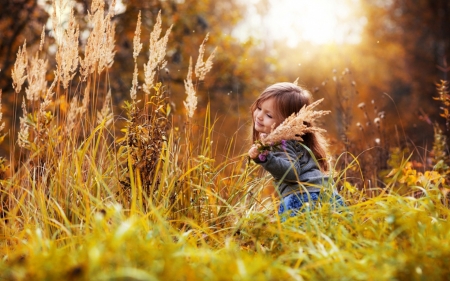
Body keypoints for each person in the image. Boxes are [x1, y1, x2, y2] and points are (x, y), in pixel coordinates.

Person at [247, 82, 344, 219]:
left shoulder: (282, 142)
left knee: (291, 238)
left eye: (269, 115)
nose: (259, 116)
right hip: (328, 195)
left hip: (302, 198)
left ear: (289, 122)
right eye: (259, 108)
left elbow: (292, 172)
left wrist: (264, 157)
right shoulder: (300, 140)